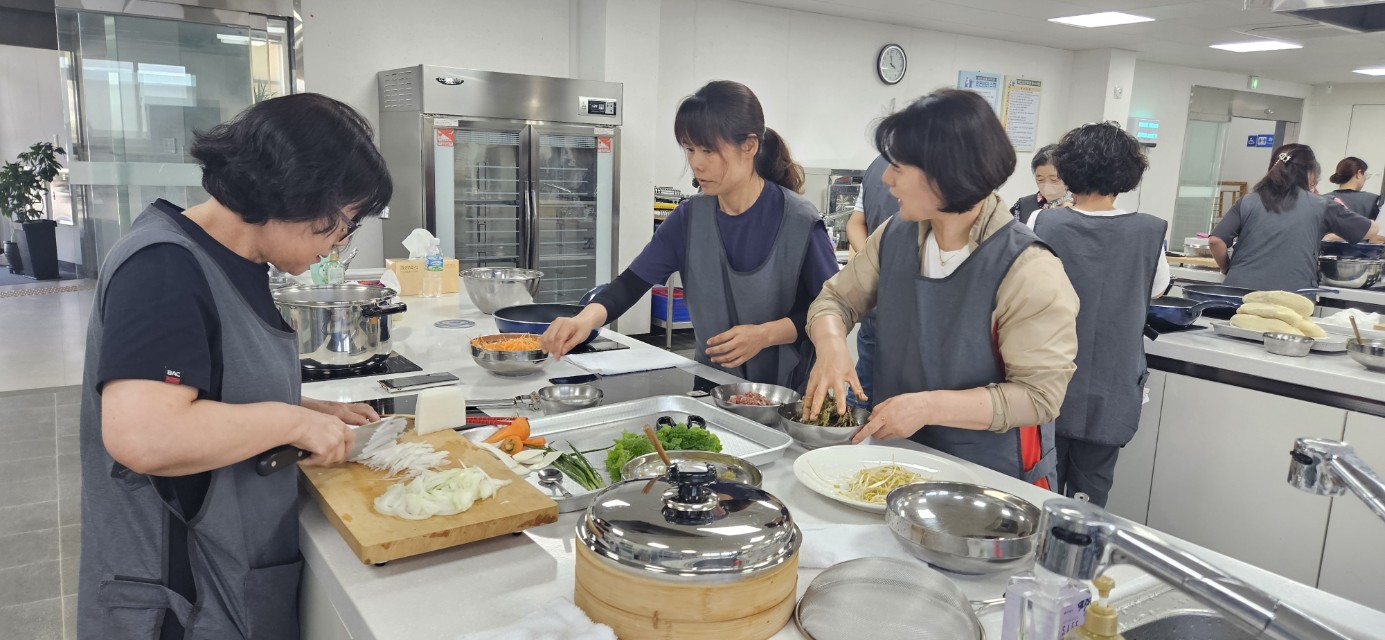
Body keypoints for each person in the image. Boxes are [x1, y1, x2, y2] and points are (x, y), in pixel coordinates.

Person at [78, 93, 391, 640]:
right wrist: (292, 423)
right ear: (295, 191)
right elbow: (145, 435)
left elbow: (207, 388)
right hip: (179, 600)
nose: (341, 242)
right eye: (344, 221)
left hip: (228, 577)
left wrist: (305, 408)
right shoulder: (163, 266)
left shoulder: (233, 259)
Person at [804, 89, 1079, 488]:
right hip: (896, 462)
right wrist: (830, 348)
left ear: (946, 174)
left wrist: (929, 406)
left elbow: (1039, 396)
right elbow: (836, 299)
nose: (886, 178)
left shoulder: (1028, 267)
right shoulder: (896, 235)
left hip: (988, 482)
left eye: (898, 166)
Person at [542, 80, 838, 389]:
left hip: (788, 396)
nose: (696, 163)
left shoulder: (800, 222)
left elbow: (832, 312)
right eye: (690, 149)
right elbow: (629, 285)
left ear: (749, 146)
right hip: (714, 388)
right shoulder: (689, 218)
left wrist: (765, 335)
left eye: (709, 150)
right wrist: (583, 321)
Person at [1026, 122, 1166, 507]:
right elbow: (1155, 289)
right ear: (1127, 174)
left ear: (1069, 170)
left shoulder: (1043, 221)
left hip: (1048, 373)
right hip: (1113, 381)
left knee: (1040, 484)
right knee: (1090, 495)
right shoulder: (1150, 232)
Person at [1210, 144, 1380, 291]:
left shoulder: (1249, 199)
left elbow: (1215, 241)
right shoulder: (1322, 205)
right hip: (1292, 294)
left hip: (1238, 290)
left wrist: (1227, 268)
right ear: (1310, 173)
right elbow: (1371, 231)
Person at [843, 155, 899, 409]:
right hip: (883, 308)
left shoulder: (874, 167)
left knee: (863, 395)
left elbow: (855, 223)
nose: (889, 180)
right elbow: (832, 299)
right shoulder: (883, 168)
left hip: (879, 304)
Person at [1008, 144, 1072, 224]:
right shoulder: (1023, 205)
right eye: (1040, 179)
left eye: (1054, 179)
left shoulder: (1080, 206)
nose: (1047, 185)